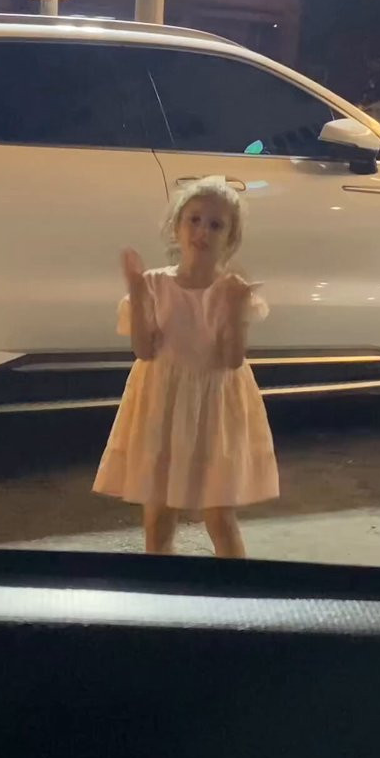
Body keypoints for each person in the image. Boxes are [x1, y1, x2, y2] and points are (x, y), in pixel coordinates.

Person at [93, 177, 279, 558]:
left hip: (214, 410)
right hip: (162, 406)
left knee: (220, 516)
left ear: (230, 237)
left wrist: (235, 312)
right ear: (177, 226)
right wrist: (136, 290)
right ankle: (163, 588)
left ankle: (234, 590)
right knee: (158, 515)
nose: (202, 231)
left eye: (215, 225)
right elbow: (144, 350)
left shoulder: (231, 290)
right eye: (194, 220)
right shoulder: (154, 284)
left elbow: (232, 360)